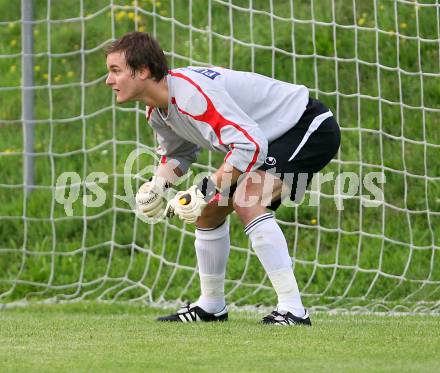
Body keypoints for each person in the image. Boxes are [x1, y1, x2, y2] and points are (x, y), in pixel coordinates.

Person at [105, 31, 340, 326]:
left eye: (115, 71)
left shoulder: (190, 95)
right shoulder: (157, 111)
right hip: (270, 139)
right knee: (207, 213)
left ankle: (293, 309)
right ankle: (211, 306)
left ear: (143, 71)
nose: (109, 80)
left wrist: (204, 188)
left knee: (247, 198)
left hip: (306, 125)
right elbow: (178, 154)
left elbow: (250, 145)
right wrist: (157, 186)